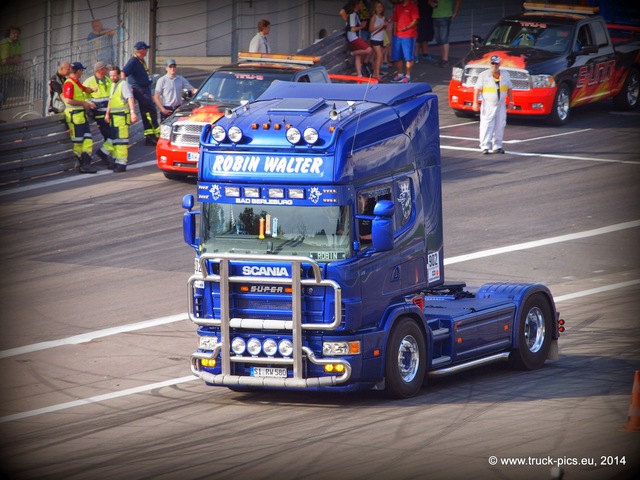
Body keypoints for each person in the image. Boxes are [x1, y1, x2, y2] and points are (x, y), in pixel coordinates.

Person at [472, 55, 513, 155]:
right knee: (486, 125)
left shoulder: (505, 74)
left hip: (501, 104)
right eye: (492, 63)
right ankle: (485, 146)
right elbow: (477, 89)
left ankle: (498, 146)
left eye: (496, 63)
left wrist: (511, 101)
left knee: (500, 124)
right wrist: (475, 102)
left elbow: (509, 88)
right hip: (488, 104)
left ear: (499, 64)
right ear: (490, 64)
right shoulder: (484, 75)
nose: (494, 65)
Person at [62, 62, 98, 174]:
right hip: (75, 116)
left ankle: (86, 163)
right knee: (78, 142)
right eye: (81, 70)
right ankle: (82, 164)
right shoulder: (69, 83)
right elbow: (68, 100)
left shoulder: (76, 82)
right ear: (78, 71)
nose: (82, 72)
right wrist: (83, 103)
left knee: (87, 140)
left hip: (81, 116)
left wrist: (93, 90)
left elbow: (84, 89)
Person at [122, 41, 159, 145]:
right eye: (145, 49)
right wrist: (126, 87)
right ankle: (152, 135)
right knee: (149, 111)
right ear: (141, 50)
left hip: (145, 88)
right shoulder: (133, 61)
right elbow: (124, 72)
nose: (147, 51)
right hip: (140, 89)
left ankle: (150, 135)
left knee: (148, 111)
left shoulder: (141, 60)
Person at [105, 65, 138, 172]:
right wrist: (107, 113)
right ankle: (116, 161)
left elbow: (130, 98)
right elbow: (111, 100)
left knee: (121, 142)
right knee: (115, 141)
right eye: (111, 75)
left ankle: (122, 163)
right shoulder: (113, 85)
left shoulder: (123, 84)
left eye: (115, 75)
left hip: (122, 117)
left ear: (119, 75)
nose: (113, 77)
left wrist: (133, 112)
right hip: (114, 118)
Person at [390, 0, 419, 83]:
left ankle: (408, 76)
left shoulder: (413, 6)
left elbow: (416, 20)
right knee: (396, 56)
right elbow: (395, 20)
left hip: (409, 35)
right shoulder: (398, 7)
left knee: (408, 57)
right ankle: (400, 75)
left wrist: (407, 27)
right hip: (398, 35)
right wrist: (394, 32)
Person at [346, 0, 372, 78]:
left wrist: (361, 25)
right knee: (368, 50)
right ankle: (351, 53)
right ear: (356, 5)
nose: (362, 5)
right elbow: (353, 29)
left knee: (359, 56)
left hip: (356, 36)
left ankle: (359, 75)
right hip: (353, 37)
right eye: (361, 3)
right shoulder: (352, 15)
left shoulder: (356, 14)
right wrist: (361, 27)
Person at [430, 0, 461, 68]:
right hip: (435, 16)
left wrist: (455, 13)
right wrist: (431, 3)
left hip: (445, 16)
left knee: (444, 37)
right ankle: (443, 58)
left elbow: (459, 1)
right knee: (438, 38)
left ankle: (445, 59)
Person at [369, 1, 390, 80]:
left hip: (381, 38)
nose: (379, 9)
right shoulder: (374, 17)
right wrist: (380, 26)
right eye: (378, 7)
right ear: (375, 8)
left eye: (381, 7)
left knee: (377, 56)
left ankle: (375, 73)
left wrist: (385, 25)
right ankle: (377, 75)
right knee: (380, 56)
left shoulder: (383, 16)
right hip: (375, 38)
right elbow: (370, 29)